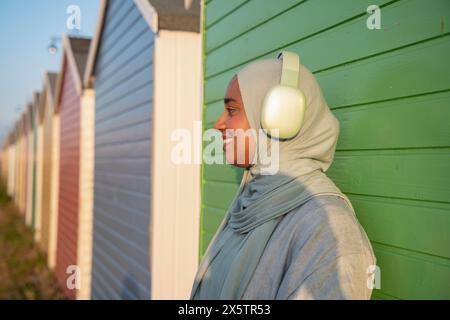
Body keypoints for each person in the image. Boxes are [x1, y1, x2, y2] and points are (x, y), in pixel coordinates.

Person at [190, 53, 376, 300]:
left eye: (232, 110)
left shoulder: (327, 229)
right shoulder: (252, 203)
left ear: (281, 117)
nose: (219, 124)